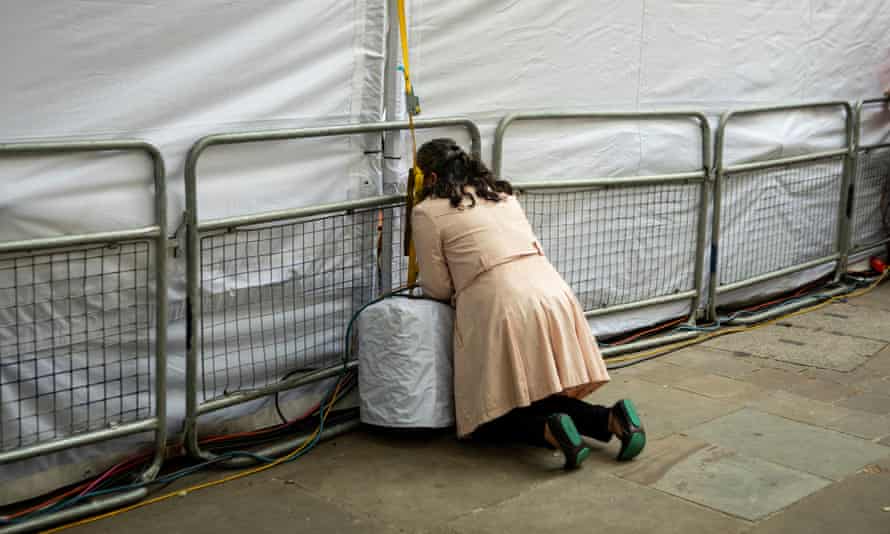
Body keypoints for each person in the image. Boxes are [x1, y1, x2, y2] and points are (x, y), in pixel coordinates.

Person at [410, 138, 646, 470]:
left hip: (500, 302)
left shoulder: (427, 212)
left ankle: (549, 431)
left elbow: (436, 286)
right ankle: (612, 418)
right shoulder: (502, 195)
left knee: (489, 412)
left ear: (430, 178)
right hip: (552, 292)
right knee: (537, 394)